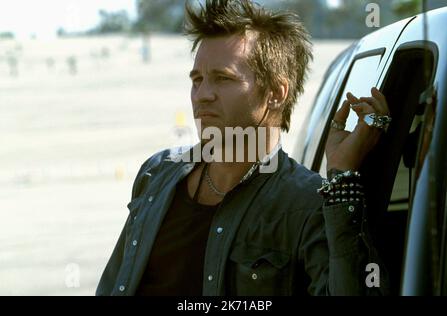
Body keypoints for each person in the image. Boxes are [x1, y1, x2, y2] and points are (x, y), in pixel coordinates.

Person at [96, 0, 392, 296]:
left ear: (276, 93)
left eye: (222, 79)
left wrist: (342, 175)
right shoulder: (156, 174)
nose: (202, 95)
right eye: (197, 80)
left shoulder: (306, 204)